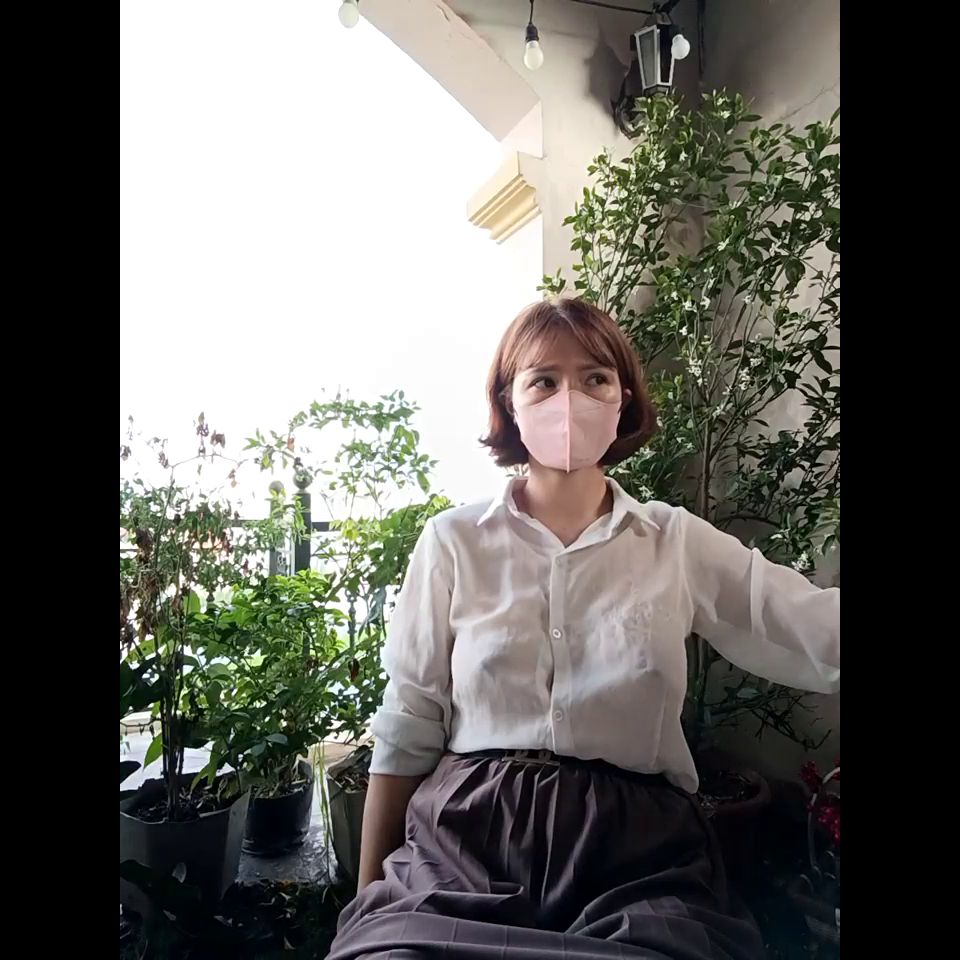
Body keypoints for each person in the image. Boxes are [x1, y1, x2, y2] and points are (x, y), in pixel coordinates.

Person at [327, 298, 840, 960]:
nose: (569, 400)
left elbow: (807, 624)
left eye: (595, 378)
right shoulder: (453, 542)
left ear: (622, 398)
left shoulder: (674, 541)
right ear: (509, 402)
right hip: (466, 842)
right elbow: (409, 722)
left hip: (637, 854)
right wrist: (369, 906)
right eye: (543, 380)